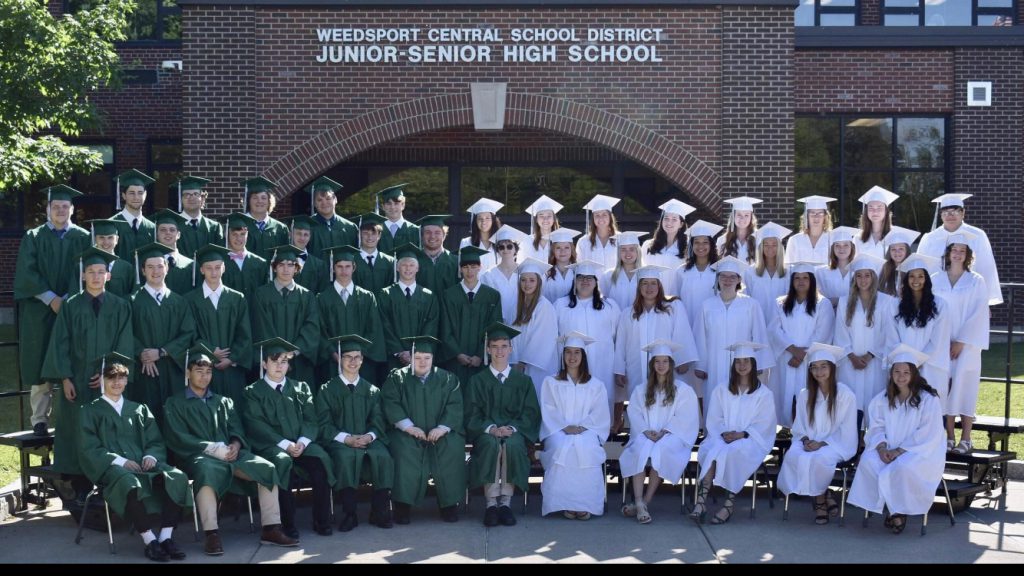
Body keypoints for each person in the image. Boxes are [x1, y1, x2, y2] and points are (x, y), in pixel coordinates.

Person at [163, 344, 298, 554]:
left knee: (267, 467)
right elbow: (179, 437)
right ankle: (212, 534)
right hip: (198, 457)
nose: (204, 376)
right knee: (206, 471)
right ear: (188, 373)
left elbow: (236, 430)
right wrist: (212, 448)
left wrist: (235, 444)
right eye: (199, 371)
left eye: (208, 372)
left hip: (230, 454)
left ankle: (271, 528)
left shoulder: (223, 401)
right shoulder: (175, 403)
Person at [79, 352, 193, 561]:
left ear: (126, 380)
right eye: (111, 377)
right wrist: (122, 462)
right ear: (101, 380)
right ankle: (150, 541)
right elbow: (90, 448)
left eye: (121, 377)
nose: (116, 382)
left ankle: (166, 537)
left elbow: (155, 440)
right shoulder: (90, 411)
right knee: (129, 482)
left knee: (178, 477)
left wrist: (151, 456)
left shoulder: (139, 409)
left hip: (144, 465)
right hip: (111, 468)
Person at [42, 247, 133, 475]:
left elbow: (124, 344)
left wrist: (109, 374)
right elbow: (60, 344)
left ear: (108, 276)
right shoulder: (71, 305)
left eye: (101, 272)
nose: (96, 276)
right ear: (83, 275)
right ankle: (74, 477)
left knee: (108, 424)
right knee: (75, 425)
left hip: (109, 380)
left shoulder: (121, 306)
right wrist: (65, 378)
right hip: (77, 379)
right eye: (91, 271)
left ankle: (109, 474)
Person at [14, 184, 91, 436]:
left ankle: (73, 418)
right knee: (40, 359)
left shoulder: (82, 237)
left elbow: (85, 271)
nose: (60, 210)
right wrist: (51, 299)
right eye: (55, 206)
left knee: (73, 357)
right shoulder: (34, 237)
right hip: (40, 309)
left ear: (72, 209)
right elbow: (27, 272)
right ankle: (39, 420)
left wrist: (67, 299)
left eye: (65, 206)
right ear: (47, 209)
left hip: (72, 307)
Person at [847, 344, 945, 535]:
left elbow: (927, 433)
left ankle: (897, 511)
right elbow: (876, 427)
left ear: (914, 374)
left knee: (902, 467)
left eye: (906, 372)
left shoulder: (928, 399)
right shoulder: (882, 399)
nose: (901, 376)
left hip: (920, 452)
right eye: (897, 372)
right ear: (891, 374)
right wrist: (882, 448)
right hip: (888, 450)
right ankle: (889, 507)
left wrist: (899, 451)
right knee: (869, 461)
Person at [244, 338, 335, 538]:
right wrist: (285, 444)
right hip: (272, 446)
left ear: (289, 365)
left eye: (284, 361)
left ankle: (322, 520)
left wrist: (303, 441)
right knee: (282, 462)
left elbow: (311, 419)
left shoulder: (301, 388)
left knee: (320, 460)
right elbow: (256, 425)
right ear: (264, 364)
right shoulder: (252, 392)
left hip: (302, 443)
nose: (279, 366)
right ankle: (288, 523)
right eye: (274, 361)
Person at [381, 336, 466, 524]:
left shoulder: (448, 379)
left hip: (441, 433)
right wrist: (409, 427)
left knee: (451, 449)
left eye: (427, 358)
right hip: (407, 432)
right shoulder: (397, 378)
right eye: (417, 357)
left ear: (433, 358)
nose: (422, 362)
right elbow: (391, 403)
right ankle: (402, 506)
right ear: (410, 358)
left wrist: (442, 428)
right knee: (404, 451)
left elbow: (455, 406)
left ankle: (449, 506)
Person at [691, 342, 776, 525]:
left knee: (733, 453)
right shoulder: (722, 389)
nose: (742, 365)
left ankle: (728, 505)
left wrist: (741, 434)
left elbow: (764, 425)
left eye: (746, 361)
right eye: (738, 361)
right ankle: (701, 503)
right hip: (721, 436)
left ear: (753, 364)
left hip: (750, 441)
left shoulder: (764, 394)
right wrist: (724, 433)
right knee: (712, 450)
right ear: (733, 364)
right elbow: (714, 418)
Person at [315, 335, 395, 531]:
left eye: (357, 357)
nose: (353, 361)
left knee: (383, 457)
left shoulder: (372, 390)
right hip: (340, 441)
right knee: (345, 458)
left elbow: (378, 421)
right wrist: (346, 439)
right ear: (340, 359)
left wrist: (369, 436)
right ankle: (349, 514)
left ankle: (379, 511)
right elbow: (323, 424)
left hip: (368, 439)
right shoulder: (327, 390)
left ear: (362, 360)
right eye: (348, 357)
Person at [466, 322, 542, 527]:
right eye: (495, 346)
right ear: (488, 349)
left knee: (513, 445)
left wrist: (512, 428)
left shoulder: (523, 381)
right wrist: (491, 429)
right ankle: (491, 504)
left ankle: (506, 504)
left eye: (504, 346)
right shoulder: (477, 381)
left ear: (511, 349)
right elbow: (471, 413)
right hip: (486, 433)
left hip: (514, 432)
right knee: (490, 445)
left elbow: (531, 413)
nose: (499, 351)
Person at [619, 340, 699, 524]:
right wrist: (645, 431)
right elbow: (635, 413)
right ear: (652, 364)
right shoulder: (641, 389)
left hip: (671, 436)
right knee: (640, 449)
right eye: (657, 361)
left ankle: (643, 503)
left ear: (671, 364)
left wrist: (665, 432)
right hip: (645, 434)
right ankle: (639, 501)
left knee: (661, 450)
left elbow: (685, 417)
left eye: (665, 361)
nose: (661, 365)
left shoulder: (683, 390)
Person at [776, 343, 857, 525]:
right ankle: (826, 494)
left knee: (819, 459)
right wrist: (805, 440)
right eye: (814, 367)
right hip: (808, 441)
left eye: (823, 366)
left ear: (832, 368)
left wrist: (821, 443)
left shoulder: (845, 395)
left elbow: (846, 430)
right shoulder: (805, 394)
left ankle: (820, 502)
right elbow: (799, 427)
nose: (819, 372)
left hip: (836, 444)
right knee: (794, 456)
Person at [613, 265, 698, 430]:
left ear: (659, 286)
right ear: (639, 287)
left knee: (665, 399)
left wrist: (682, 360)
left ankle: (665, 431)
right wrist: (619, 370)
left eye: (653, 283)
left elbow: (682, 332)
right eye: (645, 283)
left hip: (665, 366)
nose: (649, 288)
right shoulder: (628, 313)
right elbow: (621, 343)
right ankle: (641, 431)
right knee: (640, 399)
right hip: (636, 366)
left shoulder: (673, 308)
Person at [538, 332, 610, 519]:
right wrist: (564, 427)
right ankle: (563, 503)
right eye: (568, 352)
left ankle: (586, 504)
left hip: (588, 430)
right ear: (562, 355)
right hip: (558, 430)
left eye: (577, 352)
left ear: (583, 356)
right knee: (561, 445)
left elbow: (600, 413)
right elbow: (548, 409)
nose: (572, 357)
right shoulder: (551, 382)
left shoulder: (596, 385)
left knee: (586, 446)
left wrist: (583, 428)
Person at [931, 232, 989, 455]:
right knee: (944, 387)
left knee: (965, 386)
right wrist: (943, 339)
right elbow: (932, 310)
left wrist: (962, 341)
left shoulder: (976, 281)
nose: (957, 254)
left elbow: (979, 312)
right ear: (948, 253)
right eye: (954, 250)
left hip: (968, 345)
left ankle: (966, 438)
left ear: (968, 255)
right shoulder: (936, 279)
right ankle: (949, 436)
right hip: (942, 343)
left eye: (962, 251)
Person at [692, 256, 773, 414]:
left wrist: (759, 363)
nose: (727, 280)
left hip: (743, 364)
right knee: (715, 403)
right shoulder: (707, 306)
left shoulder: (751, 305)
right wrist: (701, 365)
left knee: (742, 403)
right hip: (714, 364)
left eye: (732, 277)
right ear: (718, 279)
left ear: (739, 280)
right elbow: (700, 337)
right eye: (723, 276)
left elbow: (760, 335)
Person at [129, 242, 198, 424]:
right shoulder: (131, 301)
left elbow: (188, 333)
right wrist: (142, 353)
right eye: (150, 267)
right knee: (147, 417)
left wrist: (161, 352)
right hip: (145, 371)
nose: (156, 271)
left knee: (174, 418)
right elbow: (125, 333)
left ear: (167, 268)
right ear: (143, 270)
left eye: (160, 266)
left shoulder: (179, 302)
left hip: (173, 369)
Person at [883, 253, 951, 427]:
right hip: (902, 366)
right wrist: (906, 363)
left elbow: (938, 340)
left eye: (920, 276)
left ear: (926, 279)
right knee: (904, 408)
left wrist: (916, 362)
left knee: (930, 407)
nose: (916, 280)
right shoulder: (894, 305)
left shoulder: (940, 305)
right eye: (912, 276)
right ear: (906, 280)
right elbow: (892, 337)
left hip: (930, 365)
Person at [768, 263, 836, 427]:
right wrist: (793, 350)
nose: (801, 281)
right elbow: (774, 329)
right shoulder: (780, 303)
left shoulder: (823, 304)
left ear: (812, 281)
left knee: (807, 397)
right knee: (783, 397)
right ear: (791, 281)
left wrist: (802, 355)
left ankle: (807, 432)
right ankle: (783, 433)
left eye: (805, 278)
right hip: (785, 359)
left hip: (810, 361)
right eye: (797, 278)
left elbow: (823, 332)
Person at [185, 244, 253, 405]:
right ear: (201, 270)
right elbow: (189, 333)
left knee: (234, 407)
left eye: (217, 267)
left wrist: (231, 358)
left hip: (232, 368)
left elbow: (245, 334)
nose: (214, 272)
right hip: (203, 366)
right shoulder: (190, 300)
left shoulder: (237, 298)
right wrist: (209, 351)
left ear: (224, 268)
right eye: (209, 268)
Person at [555, 260, 621, 421]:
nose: (585, 281)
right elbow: (555, 337)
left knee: (602, 399)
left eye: (589, 278)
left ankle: (603, 428)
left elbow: (617, 337)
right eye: (580, 277)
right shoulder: (561, 306)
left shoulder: (609, 306)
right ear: (574, 281)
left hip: (603, 363)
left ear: (596, 281)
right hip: (571, 363)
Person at [251, 244, 321, 388]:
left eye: (290, 265)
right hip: (271, 361)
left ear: (296, 268)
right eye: (281, 265)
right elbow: (261, 326)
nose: (286, 269)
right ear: (274, 267)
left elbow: (311, 328)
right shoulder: (261, 295)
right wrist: (278, 355)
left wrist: (293, 353)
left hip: (299, 362)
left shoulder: (307, 296)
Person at [834, 254, 892, 425]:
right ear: (854, 278)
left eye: (867, 275)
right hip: (849, 363)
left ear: (873, 277)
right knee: (851, 404)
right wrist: (851, 356)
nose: (863, 279)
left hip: (875, 362)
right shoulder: (844, 302)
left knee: (875, 402)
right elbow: (840, 333)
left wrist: (870, 355)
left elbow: (888, 332)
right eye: (859, 275)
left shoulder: (887, 302)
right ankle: (853, 438)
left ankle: (872, 438)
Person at [317, 245, 386, 383]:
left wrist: (358, 354)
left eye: (347, 266)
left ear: (354, 268)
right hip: (332, 363)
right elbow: (320, 330)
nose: (344, 271)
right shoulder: (322, 298)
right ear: (333, 268)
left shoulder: (367, 297)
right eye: (339, 266)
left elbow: (374, 329)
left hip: (362, 362)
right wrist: (333, 353)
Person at [918, 193, 1002, 305]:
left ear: (963, 213)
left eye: (955, 212)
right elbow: (921, 268)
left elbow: (986, 268)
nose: (950, 216)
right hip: (936, 297)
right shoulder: (929, 238)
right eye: (946, 212)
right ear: (941, 215)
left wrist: (984, 302)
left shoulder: (977, 235)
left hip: (968, 297)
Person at [440, 245, 503, 394]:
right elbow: (445, 328)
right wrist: (457, 354)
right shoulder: (448, 295)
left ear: (480, 267)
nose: (470, 271)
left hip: (481, 361)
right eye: (466, 267)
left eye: (473, 267)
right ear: (460, 269)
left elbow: (494, 328)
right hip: (455, 361)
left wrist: (480, 355)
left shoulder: (492, 296)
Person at [380, 243, 440, 369]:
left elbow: (430, 326)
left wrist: (415, 352)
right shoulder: (385, 294)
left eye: (412, 265)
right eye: (404, 265)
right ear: (397, 267)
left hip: (420, 358)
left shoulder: (429, 296)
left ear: (417, 268)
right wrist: (399, 351)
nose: (408, 269)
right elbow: (384, 325)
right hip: (393, 357)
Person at [509, 258, 559, 398]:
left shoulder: (544, 306)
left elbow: (541, 339)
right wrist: (514, 359)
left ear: (539, 282)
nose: (527, 284)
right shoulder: (516, 305)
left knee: (536, 397)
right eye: (523, 280)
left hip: (536, 366)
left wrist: (522, 362)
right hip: (518, 364)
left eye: (532, 280)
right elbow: (512, 335)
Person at [675, 220, 723, 334]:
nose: (701, 246)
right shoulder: (681, 271)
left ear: (711, 245)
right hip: (687, 325)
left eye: (705, 242)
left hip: (714, 326)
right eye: (696, 242)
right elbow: (676, 301)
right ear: (691, 245)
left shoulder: (720, 270)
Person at [642, 199, 696, 297]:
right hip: (652, 298)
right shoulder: (648, 245)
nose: (669, 222)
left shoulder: (689, 247)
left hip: (677, 299)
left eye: (674, 219)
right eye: (666, 218)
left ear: (681, 224)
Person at [743, 222, 792, 329]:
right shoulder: (750, 272)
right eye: (766, 244)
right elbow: (746, 300)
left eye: (774, 244)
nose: (770, 248)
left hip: (782, 326)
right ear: (761, 247)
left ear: (780, 247)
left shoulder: (789, 272)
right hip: (756, 325)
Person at [481, 225, 528, 324]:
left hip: (521, 322)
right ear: (498, 250)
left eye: (509, 246)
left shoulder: (525, 272)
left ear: (515, 249)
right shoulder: (488, 275)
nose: (505, 250)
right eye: (501, 247)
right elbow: (486, 302)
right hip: (497, 322)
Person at [306, 176, 358, 258]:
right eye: (319, 200)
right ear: (314, 203)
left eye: (328, 198)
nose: (324, 203)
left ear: (335, 199)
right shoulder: (308, 226)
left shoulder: (350, 228)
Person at [111, 169, 157, 262]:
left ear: (145, 195)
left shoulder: (152, 228)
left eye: (140, 193)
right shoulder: (112, 224)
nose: (136, 197)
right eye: (131, 193)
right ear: (124, 195)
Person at [221, 212, 269, 298]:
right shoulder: (220, 263)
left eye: (242, 234)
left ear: (247, 235)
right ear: (226, 234)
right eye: (234, 234)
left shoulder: (260, 263)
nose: (239, 238)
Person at [175, 176, 224, 259]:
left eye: (196, 194)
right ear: (181, 199)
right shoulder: (173, 226)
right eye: (187, 195)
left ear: (202, 198)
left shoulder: (214, 228)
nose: (191, 198)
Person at [84, 218, 135, 298]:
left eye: (110, 237)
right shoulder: (84, 266)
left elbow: (132, 296)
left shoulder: (127, 268)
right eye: (101, 237)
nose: (106, 242)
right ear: (95, 239)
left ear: (117, 240)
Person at [242, 176, 290, 261]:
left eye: (263, 198)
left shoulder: (280, 228)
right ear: (248, 201)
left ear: (269, 201)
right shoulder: (239, 224)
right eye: (255, 198)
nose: (259, 201)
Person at [149, 209, 196, 296]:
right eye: (163, 230)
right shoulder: (149, 263)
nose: (168, 233)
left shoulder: (191, 265)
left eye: (172, 230)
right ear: (156, 234)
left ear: (178, 235)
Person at [599, 230, 646, 310]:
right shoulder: (608, 276)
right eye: (623, 249)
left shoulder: (646, 275)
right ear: (619, 252)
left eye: (632, 249)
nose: (628, 253)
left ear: (638, 251)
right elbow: (605, 302)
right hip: (615, 318)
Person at [415, 214, 460, 297]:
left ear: (444, 235)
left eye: (437, 232)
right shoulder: (413, 261)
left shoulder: (456, 262)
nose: (432, 236)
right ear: (422, 236)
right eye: (428, 232)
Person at [285, 215, 330, 295]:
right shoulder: (280, 262)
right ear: (290, 234)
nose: (302, 238)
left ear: (310, 237)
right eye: (298, 233)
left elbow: (323, 294)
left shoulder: (319, 265)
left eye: (306, 235)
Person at [353, 212, 396, 296]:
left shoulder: (390, 262)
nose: (370, 237)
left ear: (379, 236)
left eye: (373, 233)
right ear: (359, 235)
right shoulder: (351, 260)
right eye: (365, 233)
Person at [785, 195, 836, 266]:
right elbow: (788, 266)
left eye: (820, 213)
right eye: (812, 213)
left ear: (825, 216)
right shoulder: (795, 240)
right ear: (806, 216)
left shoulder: (833, 239)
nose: (816, 217)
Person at [818, 226, 859, 308]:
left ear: (852, 247)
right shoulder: (821, 272)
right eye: (837, 245)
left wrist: (837, 301)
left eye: (846, 245)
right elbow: (817, 299)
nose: (841, 249)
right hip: (828, 314)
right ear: (833, 248)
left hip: (853, 313)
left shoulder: (859, 271)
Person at [854, 186, 898, 260]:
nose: (875, 212)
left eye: (879, 208)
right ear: (866, 212)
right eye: (871, 208)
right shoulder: (858, 238)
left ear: (886, 211)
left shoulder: (895, 235)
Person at [577, 194, 620, 270]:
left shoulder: (620, 239)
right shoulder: (583, 242)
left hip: (615, 278)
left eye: (604, 215)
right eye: (597, 215)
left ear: (610, 217)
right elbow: (579, 267)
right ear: (593, 219)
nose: (600, 218)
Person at [376, 183, 420, 255]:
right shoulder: (375, 230)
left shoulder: (415, 230)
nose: (392, 207)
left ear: (403, 205)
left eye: (396, 203)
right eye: (388, 203)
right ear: (383, 206)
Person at [460, 197, 503, 271]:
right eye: (480, 218)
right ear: (475, 221)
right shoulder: (466, 243)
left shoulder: (502, 243)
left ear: (493, 220)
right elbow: (461, 268)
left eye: (487, 218)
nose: (483, 221)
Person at [877, 226, 919, 297]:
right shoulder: (884, 270)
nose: (897, 252)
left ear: (907, 250)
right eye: (893, 249)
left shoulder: (914, 270)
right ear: (889, 252)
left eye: (901, 249)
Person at [521, 195, 563, 264]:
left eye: (549, 216)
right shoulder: (527, 241)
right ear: (536, 220)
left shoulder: (561, 240)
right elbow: (522, 264)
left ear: (554, 219)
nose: (545, 219)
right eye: (541, 216)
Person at [718, 196, 761, 264]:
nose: (742, 218)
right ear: (733, 217)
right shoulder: (722, 240)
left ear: (751, 218)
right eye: (739, 215)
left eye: (746, 215)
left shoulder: (759, 239)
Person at [543, 227, 581, 303]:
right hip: (550, 310)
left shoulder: (579, 271)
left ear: (572, 250)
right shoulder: (545, 273)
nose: (562, 251)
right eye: (558, 248)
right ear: (553, 251)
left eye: (566, 247)